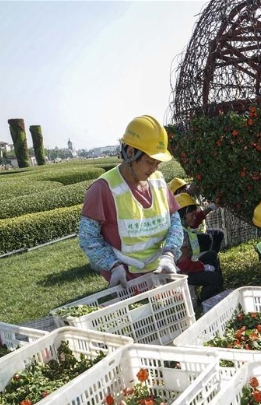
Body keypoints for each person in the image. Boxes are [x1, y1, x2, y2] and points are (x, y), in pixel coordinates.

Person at [78, 115, 183, 288]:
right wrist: (113, 266)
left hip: (160, 273)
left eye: (158, 163)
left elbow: (175, 221)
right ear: (131, 153)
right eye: (150, 162)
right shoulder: (102, 189)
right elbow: (88, 238)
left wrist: (169, 254)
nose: (154, 169)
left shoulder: (158, 181)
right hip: (127, 281)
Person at [175, 193, 224, 303]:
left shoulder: (183, 225)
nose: (194, 217)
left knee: (212, 255)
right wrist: (202, 267)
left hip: (189, 265)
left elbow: (197, 218)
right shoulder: (179, 234)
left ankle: (216, 290)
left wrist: (212, 207)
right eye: (192, 214)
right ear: (182, 215)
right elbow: (184, 264)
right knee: (216, 279)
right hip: (182, 273)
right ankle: (203, 300)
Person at [168, 177, 225, 253]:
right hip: (191, 236)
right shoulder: (179, 206)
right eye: (183, 189)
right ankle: (207, 258)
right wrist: (211, 207)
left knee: (218, 234)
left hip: (197, 232)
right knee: (207, 239)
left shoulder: (187, 198)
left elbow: (194, 188)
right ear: (177, 192)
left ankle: (211, 256)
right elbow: (194, 219)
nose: (186, 190)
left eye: (186, 188)